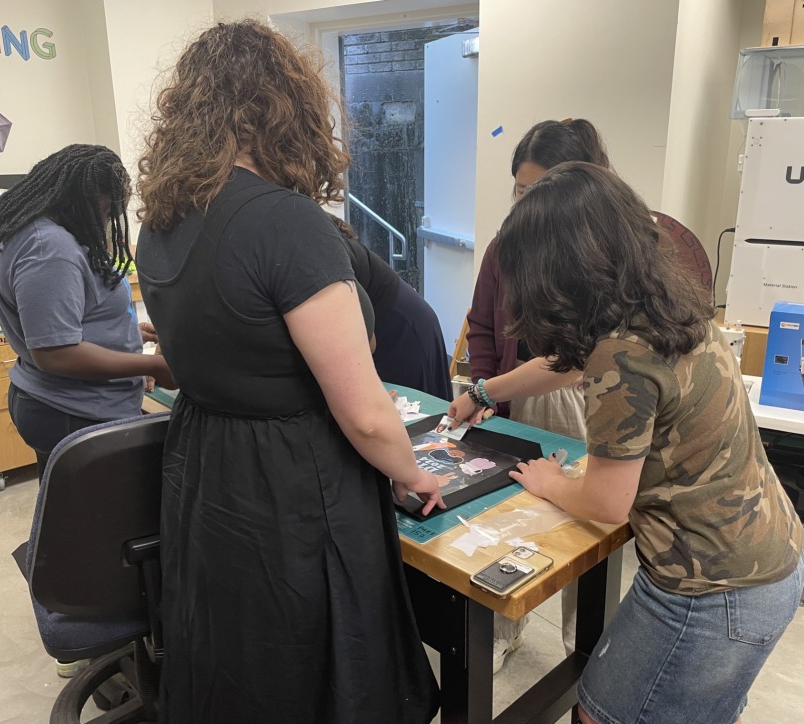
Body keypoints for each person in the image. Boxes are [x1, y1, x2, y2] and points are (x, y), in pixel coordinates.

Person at [135, 20, 441, 723]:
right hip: (293, 481)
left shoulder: (161, 220)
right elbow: (364, 412)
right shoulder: (287, 225)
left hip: (206, 464)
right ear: (284, 107)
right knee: (311, 651)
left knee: (236, 643)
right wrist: (411, 473)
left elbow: (188, 357)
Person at [451, 161, 804, 724]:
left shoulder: (621, 352)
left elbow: (605, 503)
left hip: (713, 587)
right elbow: (567, 367)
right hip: (769, 554)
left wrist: (553, 482)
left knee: (599, 714)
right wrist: (486, 390)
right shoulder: (665, 303)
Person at [468, 118, 610, 672]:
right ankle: (506, 625)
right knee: (510, 514)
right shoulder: (505, 247)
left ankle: (586, 640)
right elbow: (483, 325)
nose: (528, 203)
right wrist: (485, 393)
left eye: (539, 191)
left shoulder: (594, 256)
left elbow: (570, 366)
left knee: (582, 522)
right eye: (520, 191)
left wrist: (487, 387)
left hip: (578, 405)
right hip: (512, 399)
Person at [0, 144, 175, 483]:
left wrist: (125, 335)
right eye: (108, 210)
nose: (110, 219)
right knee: (96, 524)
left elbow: (61, 322)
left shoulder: (35, 232)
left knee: (70, 518)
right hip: (73, 410)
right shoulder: (48, 248)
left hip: (63, 402)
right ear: (79, 200)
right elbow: (56, 353)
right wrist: (153, 364)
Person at [341, 232, 451, 399]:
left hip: (402, 326)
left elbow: (366, 340)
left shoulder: (322, 249)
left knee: (414, 410)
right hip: (383, 322)